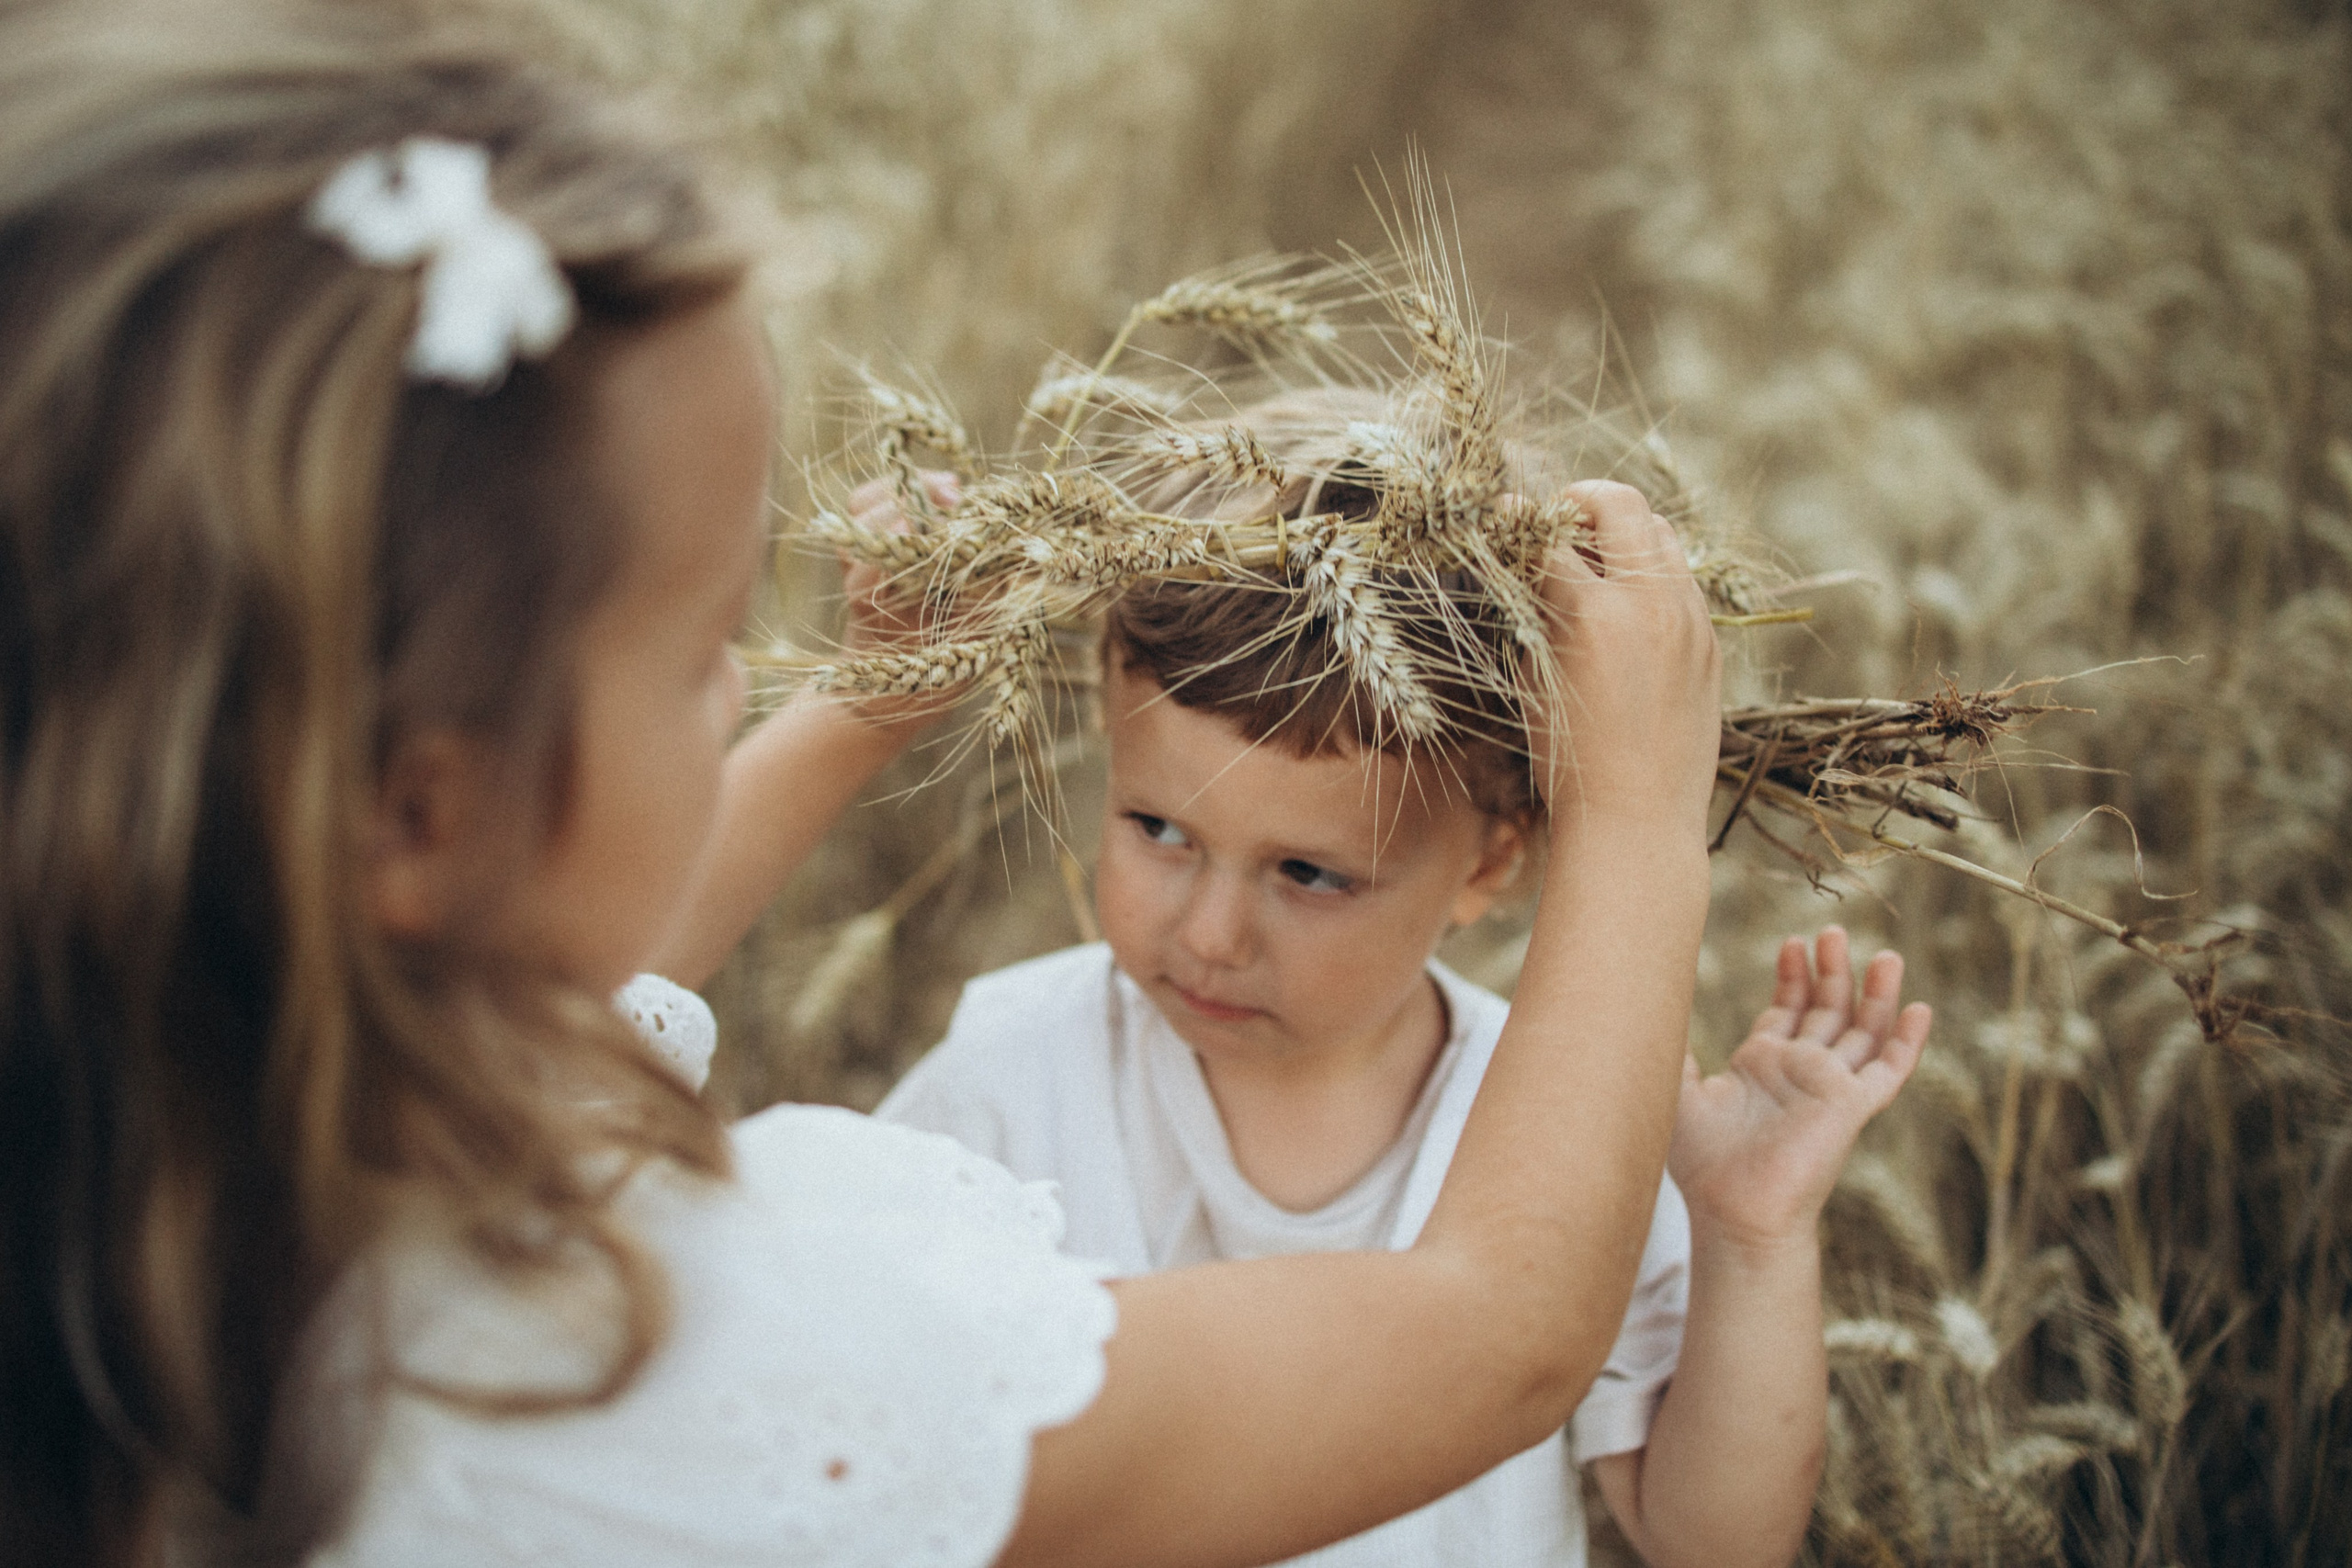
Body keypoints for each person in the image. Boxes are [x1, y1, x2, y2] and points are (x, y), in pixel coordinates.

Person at [0, 4, 1917, 1566]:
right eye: (701, 657)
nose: (744, 685)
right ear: (413, 815)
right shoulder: (648, 1353)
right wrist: (1641, 823)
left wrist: (854, 703)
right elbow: (1493, 1342)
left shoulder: (205, 1177)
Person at [876, 401, 1931, 1568]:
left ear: (1488, 859)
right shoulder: (1012, 1072)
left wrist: (1748, 1234)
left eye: (1310, 873)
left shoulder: (1562, 1125)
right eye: (1158, 829)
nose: (1213, 933)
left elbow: (1712, 1543)